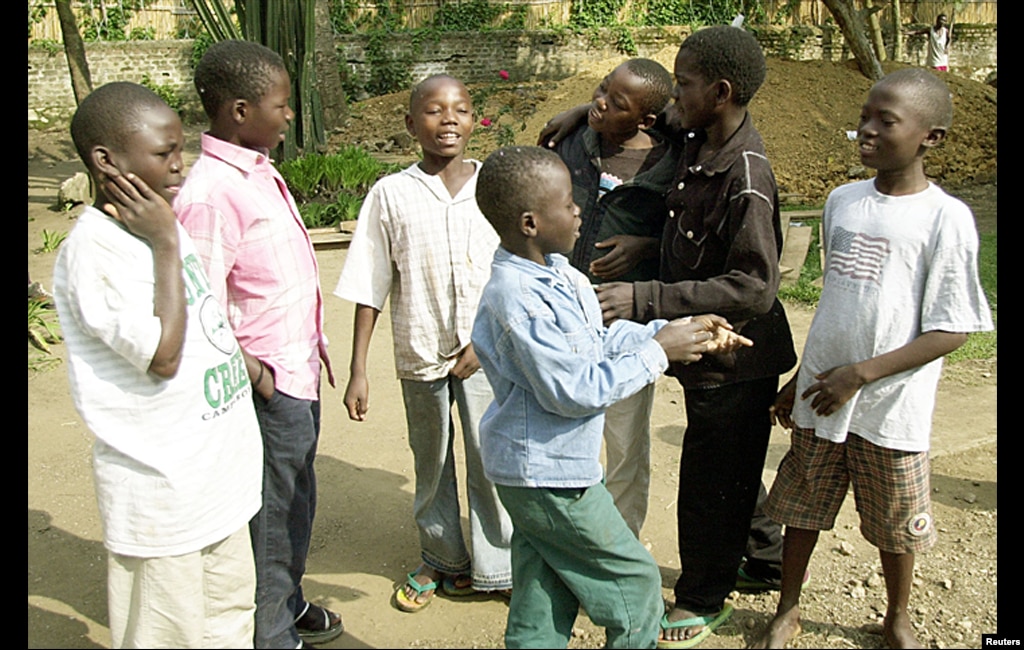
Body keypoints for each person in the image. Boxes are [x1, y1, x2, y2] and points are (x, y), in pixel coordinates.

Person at [541, 26, 798, 648]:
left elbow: (753, 286)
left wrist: (645, 294)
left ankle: (703, 599)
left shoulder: (746, 174)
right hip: (707, 340)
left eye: (684, 84)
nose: (676, 94)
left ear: (721, 90)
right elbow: (647, 128)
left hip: (736, 351)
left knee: (711, 475)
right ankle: (763, 558)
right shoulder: (699, 132)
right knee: (730, 464)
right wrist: (584, 112)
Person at [470, 145, 753, 649]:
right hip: (546, 476)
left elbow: (599, 342)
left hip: (546, 470)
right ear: (531, 222)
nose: (580, 209)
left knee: (544, 589)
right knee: (636, 585)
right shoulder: (518, 299)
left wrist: (679, 331)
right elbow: (573, 390)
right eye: (568, 202)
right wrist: (661, 353)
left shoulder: (564, 275)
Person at [750, 68, 993, 650]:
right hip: (822, 396)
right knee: (803, 506)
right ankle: (788, 609)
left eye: (886, 122)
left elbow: (952, 328)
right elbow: (838, 303)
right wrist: (801, 377)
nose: (866, 130)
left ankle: (898, 617)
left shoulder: (945, 218)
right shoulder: (843, 202)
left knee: (895, 523)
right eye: (864, 117)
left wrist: (860, 375)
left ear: (930, 137)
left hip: (890, 407)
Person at [53, 81, 263, 648]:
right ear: (106, 161)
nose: (180, 164)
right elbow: (163, 356)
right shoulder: (96, 251)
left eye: (180, 149)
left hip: (217, 482)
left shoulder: (157, 224)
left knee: (229, 619)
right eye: (163, 153)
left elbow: (204, 321)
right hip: (162, 497)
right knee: (167, 635)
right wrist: (167, 244)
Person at [174, 40, 342, 649]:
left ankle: (286, 603)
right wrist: (258, 375)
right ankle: (269, 632)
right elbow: (200, 307)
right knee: (271, 514)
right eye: (282, 105)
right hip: (266, 386)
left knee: (295, 497)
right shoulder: (209, 194)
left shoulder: (256, 168)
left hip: (295, 372)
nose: (290, 114)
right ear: (240, 110)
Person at [334, 74, 514, 612]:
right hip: (420, 350)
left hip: (488, 357)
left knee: (490, 460)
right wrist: (358, 368)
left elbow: (521, 273)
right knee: (431, 460)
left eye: (460, 108)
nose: (449, 119)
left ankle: (499, 563)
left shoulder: (496, 188)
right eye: (434, 111)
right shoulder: (390, 194)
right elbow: (370, 282)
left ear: (475, 118)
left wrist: (490, 340)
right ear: (412, 123)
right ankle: (441, 557)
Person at [548, 57, 678, 536]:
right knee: (564, 432)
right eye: (601, 90)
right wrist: (583, 111)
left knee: (624, 440)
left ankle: (621, 541)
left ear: (645, 120)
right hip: (561, 316)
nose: (601, 102)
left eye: (616, 102)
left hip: (625, 325)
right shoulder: (571, 144)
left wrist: (647, 246)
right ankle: (567, 537)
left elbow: (686, 237)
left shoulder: (669, 165)